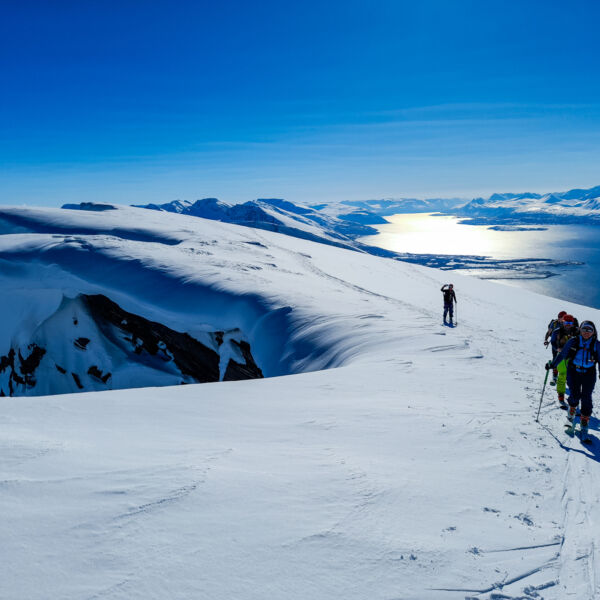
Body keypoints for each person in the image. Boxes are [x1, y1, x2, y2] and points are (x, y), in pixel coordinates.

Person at [547, 320, 598, 443]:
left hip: (589, 373)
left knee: (586, 397)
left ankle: (584, 423)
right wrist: (553, 365)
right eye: (584, 329)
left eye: (589, 329)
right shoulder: (573, 341)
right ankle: (570, 416)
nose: (586, 332)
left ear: (593, 331)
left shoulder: (597, 345)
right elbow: (562, 355)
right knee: (574, 395)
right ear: (580, 329)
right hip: (573, 371)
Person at [549, 314, 579, 407]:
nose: (568, 324)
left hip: (573, 357)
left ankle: (573, 398)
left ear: (573, 323)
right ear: (563, 322)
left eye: (570, 322)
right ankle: (561, 395)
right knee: (562, 375)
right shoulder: (557, 331)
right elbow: (553, 342)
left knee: (573, 378)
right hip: (561, 356)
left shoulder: (577, 332)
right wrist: (557, 348)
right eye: (566, 322)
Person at [545, 311, 567, 385]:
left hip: (564, 345)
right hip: (555, 344)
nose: (560, 318)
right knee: (555, 359)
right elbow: (548, 332)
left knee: (565, 361)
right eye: (560, 317)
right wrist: (546, 340)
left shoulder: (567, 324)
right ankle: (555, 377)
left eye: (562, 317)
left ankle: (565, 377)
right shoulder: (554, 323)